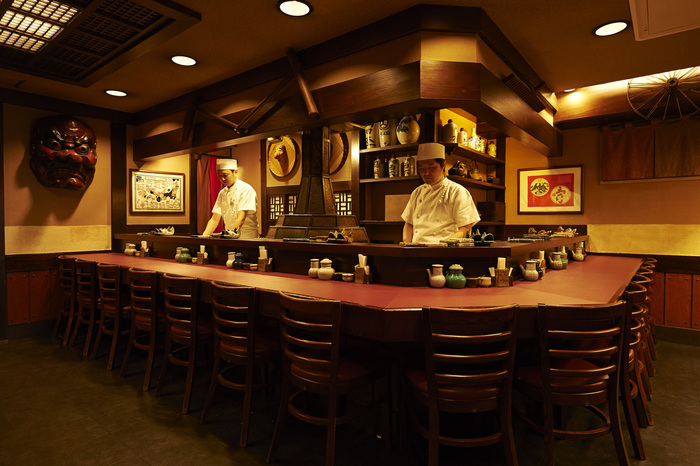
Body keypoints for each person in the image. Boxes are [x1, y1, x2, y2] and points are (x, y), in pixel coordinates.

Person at [401, 142, 480, 244]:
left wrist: (442, 245)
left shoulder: (457, 191)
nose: (426, 173)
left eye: (431, 168)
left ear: (443, 165)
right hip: (416, 249)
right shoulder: (417, 192)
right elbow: (409, 224)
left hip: (444, 250)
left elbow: (465, 229)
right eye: (422, 169)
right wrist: (406, 245)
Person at [202, 158, 259, 238]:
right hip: (230, 236)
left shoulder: (246, 189)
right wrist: (204, 237)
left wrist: (229, 234)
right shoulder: (222, 193)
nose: (222, 179)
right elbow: (215, 219)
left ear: (235, 172)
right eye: (219, 176)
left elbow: (241, 217)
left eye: (225, 175)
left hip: (247, 237)